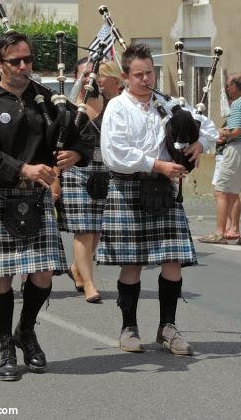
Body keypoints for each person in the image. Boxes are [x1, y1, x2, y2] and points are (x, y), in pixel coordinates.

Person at [0, 31, 92, 380]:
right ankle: (6, 345)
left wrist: (75, 153)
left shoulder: (47, 100)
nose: (23, 66)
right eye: (15, 61)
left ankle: (26, 330)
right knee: (1, 277)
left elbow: (83, 136)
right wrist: (23, 168)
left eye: (28, 59)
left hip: (36, 199)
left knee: (44, 272)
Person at [99, 43, 217, 355]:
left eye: (150, 73)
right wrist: (157, 164)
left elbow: (206, 126)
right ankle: (129, 327)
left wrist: (200, 145)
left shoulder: (168, 104)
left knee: (173, 260)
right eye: (139, 75)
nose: (146, 79)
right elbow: (116, 153)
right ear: (126, 76)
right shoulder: (117, 108)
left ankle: (167, 327)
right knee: (133, 262)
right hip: (130, 187)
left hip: (164, 190)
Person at [57, 58, 123, 304]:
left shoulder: (112, 104)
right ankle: (90, 285)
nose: (88, 79)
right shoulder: (69, 105)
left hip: (104, 169)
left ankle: (77, 269)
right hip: (76, 169)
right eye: (83, 75)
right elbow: (58, 142)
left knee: (96, 229)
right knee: (83, 229)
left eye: (91, 74)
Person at [201, 74, 241, 246]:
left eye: (228, 86)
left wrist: (222, 132)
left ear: (235, 87)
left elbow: (236, 131)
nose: (227, 89)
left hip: (238, 149)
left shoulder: (237, 104)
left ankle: (219, 233)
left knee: (221, 191)